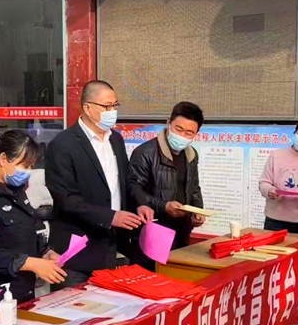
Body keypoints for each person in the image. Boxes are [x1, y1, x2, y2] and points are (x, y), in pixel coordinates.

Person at [45, 80, 152, 286]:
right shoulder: (63, 145)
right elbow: (66, 199)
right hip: (77, 253)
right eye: (107, 106)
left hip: (113, 247)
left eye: (115, 105)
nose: (112, 112)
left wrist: (139, 203)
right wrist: (110, 217)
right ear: (88, 108)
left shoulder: (116, 140)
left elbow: (126, 181)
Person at [0, 130, 65, 313]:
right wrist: (31, 263)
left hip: (22, 292)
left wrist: (45, 252)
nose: (28, 172)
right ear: (3, 159)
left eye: (31, 166)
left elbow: (28, 229)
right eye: (24, 165)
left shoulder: (16, 191)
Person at [128, 102, 205, 260]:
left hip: (182, 230)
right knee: (152, 273)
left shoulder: (191, 155)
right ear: (168, 123)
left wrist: (198, 211)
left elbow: (194, 187)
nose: (182, 136)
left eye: (189, 133)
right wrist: (164, 206)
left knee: (177, 272)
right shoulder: (145, 152)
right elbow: (134, 190)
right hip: (154, 231)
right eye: (179, 129)